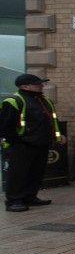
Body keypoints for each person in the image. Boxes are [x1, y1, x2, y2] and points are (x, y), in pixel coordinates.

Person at [0, 74, 65, 212]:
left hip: (41, 144)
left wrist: (58, 136)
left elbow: (52, 121)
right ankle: (14, 201)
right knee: (18, 174)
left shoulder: (45, 101)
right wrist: (17, 142)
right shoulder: (13, 101)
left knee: (36, 173)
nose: (41, 86)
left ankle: (30, 196)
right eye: (37, 84)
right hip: (21, 146)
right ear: (25, 86)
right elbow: (5, 126)